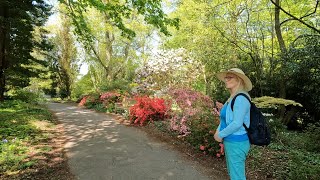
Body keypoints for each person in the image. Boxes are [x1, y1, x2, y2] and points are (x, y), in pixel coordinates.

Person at [214, 68, 252, 180]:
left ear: (239, 80)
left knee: (237, 177)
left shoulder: (241, 98)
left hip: (237, 142)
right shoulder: (232, 98)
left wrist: (220, 135)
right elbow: (225, 119)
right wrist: (218, 133)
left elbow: (237, 123)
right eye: (226, 77)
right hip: (231, 141)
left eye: (229, 77)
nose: (226, 80)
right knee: (234, 174)